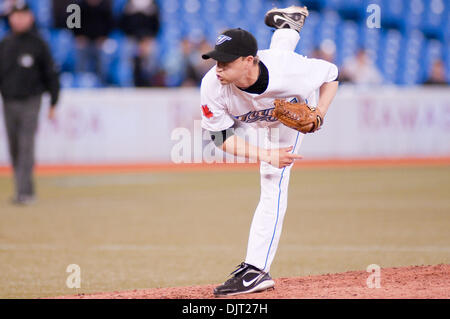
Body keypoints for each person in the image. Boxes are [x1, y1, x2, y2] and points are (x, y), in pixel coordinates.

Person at [200, 6, 339, 296]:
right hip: (264, 113)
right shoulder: (213, 85)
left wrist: (320, 114)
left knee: (272, 179)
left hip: (289, 113)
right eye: (216, 60)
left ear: (248, 60)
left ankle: (256, 270)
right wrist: (265, 154)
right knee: (269, 162)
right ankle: (288, 27)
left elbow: (332, 75)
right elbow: (220, 137)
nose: (218, 68)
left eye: (225, 62)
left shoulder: (292, 73)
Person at [0, 3, 60, 205]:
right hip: (8, 101)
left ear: (30, 17)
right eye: (15, 15)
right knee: (15, 147)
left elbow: (51, 74)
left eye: (22, 15)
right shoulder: (5, 43)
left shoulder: (39, 44)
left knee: (26, 145)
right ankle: (26, 189)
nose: (18, 19)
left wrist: (54, 101)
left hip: (31, 101)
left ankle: (23, 192)